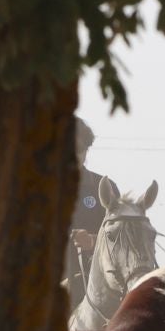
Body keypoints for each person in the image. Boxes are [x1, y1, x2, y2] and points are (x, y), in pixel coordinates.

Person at [67, 118, 107, 310]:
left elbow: (118, 237)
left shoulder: (102, 187)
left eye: (80, 149)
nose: (75, 155)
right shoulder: (40, 189)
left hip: (99, 283)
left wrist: (93, 240)